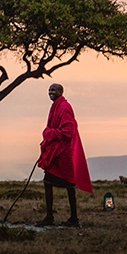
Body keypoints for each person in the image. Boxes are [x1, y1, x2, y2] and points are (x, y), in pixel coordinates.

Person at [36, 83, 93, 227]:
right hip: (56, 152)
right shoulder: (56, 106)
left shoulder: (65, 107)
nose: (50, 92)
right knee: (49, 182)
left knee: (69, 185)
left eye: (53, 90)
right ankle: (51, 217)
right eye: (49, 90)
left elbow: (68, 131)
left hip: (63, 153)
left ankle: (72, 218)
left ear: (61, 92)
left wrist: (49, 133)